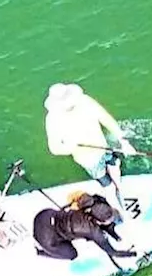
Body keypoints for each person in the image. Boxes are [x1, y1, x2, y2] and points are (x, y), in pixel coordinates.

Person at [43, 83, 138, 211]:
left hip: (104, 147)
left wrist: (123, 141)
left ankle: (121, 191)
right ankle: (118, 211)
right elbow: (54, 148)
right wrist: (70, 147)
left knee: (115, 165)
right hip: (89, 160)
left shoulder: (84, 101)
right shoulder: (52, 119)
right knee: (108, 186)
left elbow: (106, 118)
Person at [32, 191, 133, 261]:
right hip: (46, 238)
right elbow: (113, 252)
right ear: (100, 222)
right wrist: (132, 254)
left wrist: (115, 235)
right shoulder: (94, 233)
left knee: (63, 220)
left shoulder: (89, 201)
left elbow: (89, 197)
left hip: (44, 215)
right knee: (72, 255)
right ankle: (40, 252)